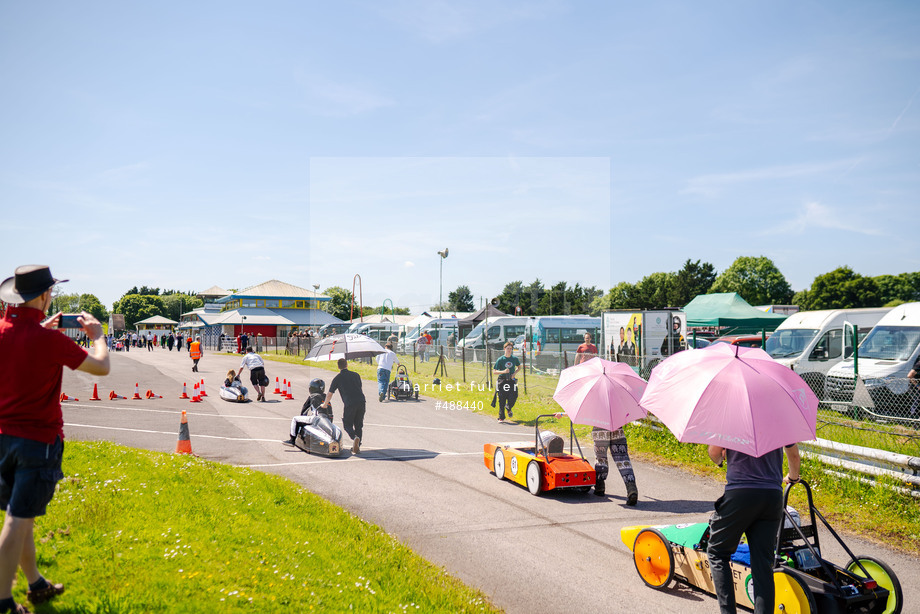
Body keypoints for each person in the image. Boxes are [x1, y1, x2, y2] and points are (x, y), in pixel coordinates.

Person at [0, 265, 111, 613]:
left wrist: (39, 328)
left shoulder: (3, 330)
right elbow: (101, 367)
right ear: (45, 296)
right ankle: (2, 600)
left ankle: (35, 583)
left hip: (2, 437)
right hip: (37, 440)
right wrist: (97, 336)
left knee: (21, 515)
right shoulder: (49, 341)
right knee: (18, 520)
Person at [707, 443, 801, 614]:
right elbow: (794, 456)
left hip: (740, 495)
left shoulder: (729, 417)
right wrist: (793, 477)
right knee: (763, 564)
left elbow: (714, 453)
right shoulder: (781, 418)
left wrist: (721, 459)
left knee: (717, 553)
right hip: (772, 497)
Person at [321, 359, 366, 454]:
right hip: (361, 401)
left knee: (347, 424)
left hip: (350, 403)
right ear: (347, 365)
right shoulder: (356, 375)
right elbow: (359, 387)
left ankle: (355, 438)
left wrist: (325, 405)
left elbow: (330, 393)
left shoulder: (338, 378)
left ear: (338, 367)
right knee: (358, 425)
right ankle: (357, 446)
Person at [592, 426, 639, 505]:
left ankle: (600, 487)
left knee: (601, 458)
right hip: (617, 428)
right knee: (623, 459)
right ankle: (631, 488)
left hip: (600, 428)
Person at [283, 378, 331, 446]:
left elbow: (304, 411)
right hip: (326, 421)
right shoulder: (326, 397)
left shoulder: (312, 397)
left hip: (315, 419)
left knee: (295, 419)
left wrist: (302, 425)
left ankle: (292, 440)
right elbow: (331, 413)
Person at [492, 341, 520, 421]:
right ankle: (501, 417)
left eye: (510, 349)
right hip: (502, 380)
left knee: (514, 395)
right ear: (504, 349)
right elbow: (494, 371)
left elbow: (519, 367)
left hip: (511, 380)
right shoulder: (500, 359)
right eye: (508, 348)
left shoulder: (514, 359)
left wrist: (514, 373)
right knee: (502, 398)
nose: (509, 350)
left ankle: (508, 407)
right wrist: (503, 371)